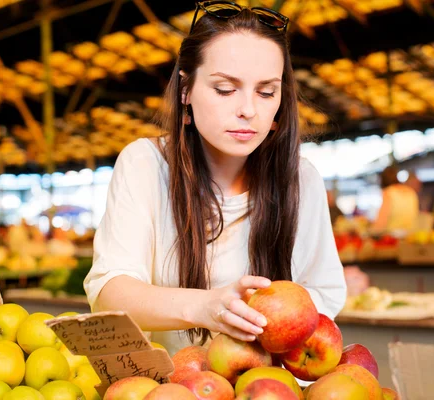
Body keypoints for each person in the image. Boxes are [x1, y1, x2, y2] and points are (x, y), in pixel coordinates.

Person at [84, 2, 346, 355]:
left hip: (273, 387)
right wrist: (207, 307)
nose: (248, 110)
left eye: (267, 91)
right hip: (176, 387)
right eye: (225, 89)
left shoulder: (300, 178)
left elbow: (324, 293)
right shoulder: (146, 164)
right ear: (185, 90)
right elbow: (110, 293)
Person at [371, 166, 419, 233]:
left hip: (392, 239)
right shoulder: (411, 192)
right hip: (410, 237)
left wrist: (372, 232)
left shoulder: (388, 192)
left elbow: (380, 223)